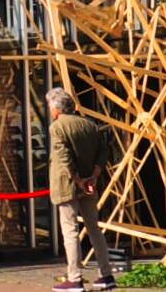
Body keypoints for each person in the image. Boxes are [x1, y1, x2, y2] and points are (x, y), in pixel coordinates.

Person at [48, 87, 118, 292]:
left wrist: (77, 179)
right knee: (94, 229)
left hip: (67, 184)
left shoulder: (57, 127)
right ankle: (106, 274)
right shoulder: (89, 125)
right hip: (89, 183)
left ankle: (75, 278)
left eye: (50, 106)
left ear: (56, 108)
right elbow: (104, 150)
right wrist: (94, 175)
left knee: (70, 230)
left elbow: (63, 156)